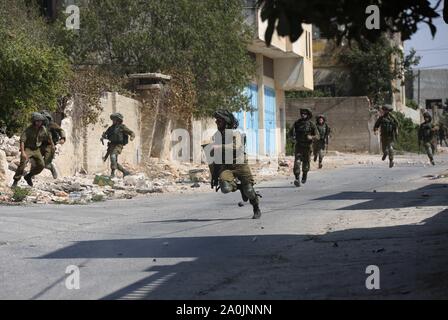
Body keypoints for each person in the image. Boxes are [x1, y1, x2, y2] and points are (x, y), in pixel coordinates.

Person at [206, 110, 261, 219]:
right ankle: (240, 188)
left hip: (240, 165)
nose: (217, 123)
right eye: (216, 121)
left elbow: (236, 148)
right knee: (225, 188)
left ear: (226, 122)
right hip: (226, 167)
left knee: (249, 191)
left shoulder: (236, 134)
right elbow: (213, 158)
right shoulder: (216, 136)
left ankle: (256, 207)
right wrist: (214, 175)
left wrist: (219, 147)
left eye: (219, 121)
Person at [12, 112, 54, 187]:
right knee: (23, 163)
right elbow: (22, 141)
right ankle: (15, 181)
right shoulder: (28, 129)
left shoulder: (43, 129)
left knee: (41, 165)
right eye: (37, 121)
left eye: (40, 121)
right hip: (28, 149)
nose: (39, 122)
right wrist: (23, 152)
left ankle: (28, 176)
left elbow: (48, 137)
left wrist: (52, 146)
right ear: (34, 121)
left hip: (36, 149)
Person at [288, 108, 319, 187]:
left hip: (307, 147)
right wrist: (292, 139)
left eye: (305, 114)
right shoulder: (297, 123)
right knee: (297, 163)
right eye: (302, 113)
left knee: (306, 164)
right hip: (299, 146)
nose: (303, 115)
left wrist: (311, 137)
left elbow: (318, 136)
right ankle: (297, 179)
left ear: (308, 115)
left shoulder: (311, 124)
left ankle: (304, 175)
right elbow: (290, 133)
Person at [101, 113, 135, 177]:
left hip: (118, 145)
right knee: (114, 161)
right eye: (113, 120)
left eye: (114, 120)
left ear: (118, 120)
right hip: (111, 145)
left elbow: (131, 132)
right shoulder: (111, 128)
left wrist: (132, 137)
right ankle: (125, 172)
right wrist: (103, 137)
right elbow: (105, 134)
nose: (113, 121)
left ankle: (112, 174)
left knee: (113, 157)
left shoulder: (122, 127)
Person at [40, 111, 66, 179]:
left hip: (50, 146)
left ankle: (51, 168)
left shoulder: (52, 125)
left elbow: (61, 130)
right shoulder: (37, 125)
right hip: (40, 145)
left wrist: (62, 138)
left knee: (46, 164)